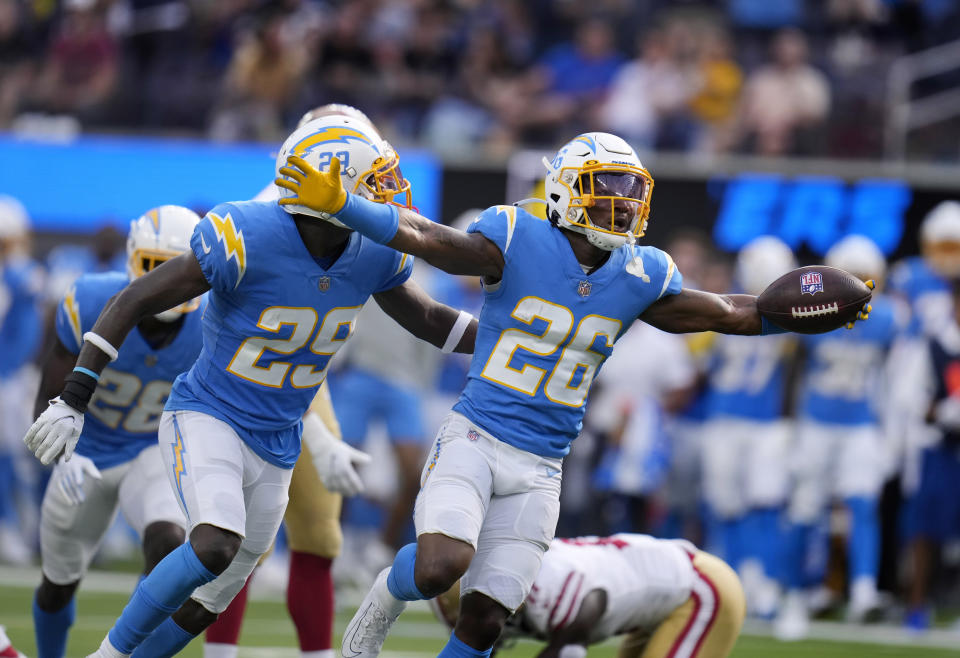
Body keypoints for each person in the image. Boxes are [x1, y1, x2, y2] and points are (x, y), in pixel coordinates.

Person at [274, 130, 868, 658]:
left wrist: (803, 313)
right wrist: (347, 207)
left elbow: (732, 312)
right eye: (606, 184)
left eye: (630, 188)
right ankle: (383, 594)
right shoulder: (514, 235)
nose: (623, 201)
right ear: (564, 190)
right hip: (477, 435)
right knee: (439, 568)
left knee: (485, 620)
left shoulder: (641, 274)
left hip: (542, 466)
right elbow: (426, 236)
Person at [23, 114, 477, 658]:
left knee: (209, 601)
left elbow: (430, 320)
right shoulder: (249, 234)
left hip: (279, 438)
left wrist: (507, 337)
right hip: (209, 416)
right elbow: (137, 297)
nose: (386, 195)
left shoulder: (374, 252)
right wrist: (74, 397)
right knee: (214, 543)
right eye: (373, 181)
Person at [204, 103, 387, 658]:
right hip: (248, 381)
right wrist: (322, 436)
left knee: (319, 535)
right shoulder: (270, 217)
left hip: (311, 377)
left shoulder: (366, 216)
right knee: (236, 544)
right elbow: (268, 353)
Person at [30, 205, 203, 658]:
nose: (166, 281)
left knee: (168, 542)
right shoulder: (89, 299)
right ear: (133, 261)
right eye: (153, 265)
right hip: (84, 452)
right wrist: (59, 458)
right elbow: (51, 396)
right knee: (57, 585)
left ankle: (125, 651)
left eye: (178, 266)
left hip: (151, 448)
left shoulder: (212, 321)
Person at [776, 235, 901, 640]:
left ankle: (863, 593)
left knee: (863, 506)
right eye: (850, 277)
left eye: (864, 278)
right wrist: (790, 426)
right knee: (804, 510)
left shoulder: (888, 319)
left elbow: (894, 380)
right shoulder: (813, 314)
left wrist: (888, 431)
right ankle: (795, 593)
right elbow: (792, 374)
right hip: (816, 424)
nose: (856, 286)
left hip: (861, 425)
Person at [431, 534, 745, 658]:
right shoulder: (505, 580)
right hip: (662, 598)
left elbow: (570, 646)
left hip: (700, 588)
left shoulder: (550, 583)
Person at [700, 236, 797, 619]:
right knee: (726, 505)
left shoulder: (791, 315)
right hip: (727, 418)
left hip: (763, 423)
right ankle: (730, 579)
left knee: (765, 504)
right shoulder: (726, 303)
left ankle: (764, 581)